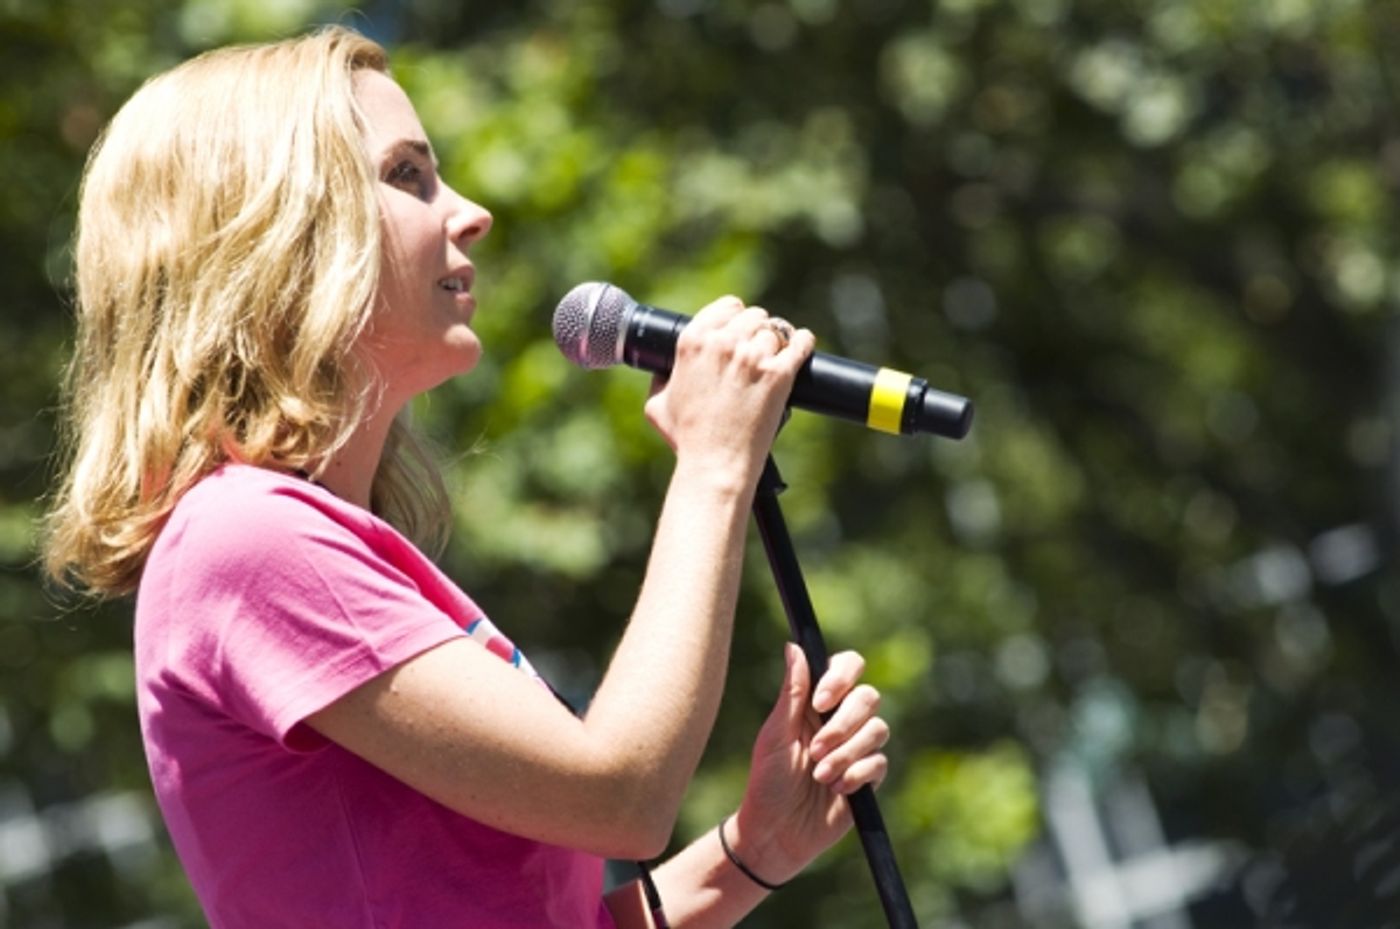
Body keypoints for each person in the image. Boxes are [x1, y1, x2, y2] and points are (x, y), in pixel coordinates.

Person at [42, 25, 890, 928]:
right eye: (408, 176)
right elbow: (622, 797)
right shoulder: (244, 539)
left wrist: (751, 853)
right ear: (280, 230)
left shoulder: (308, 535)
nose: (471, 211)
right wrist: (716, 466)